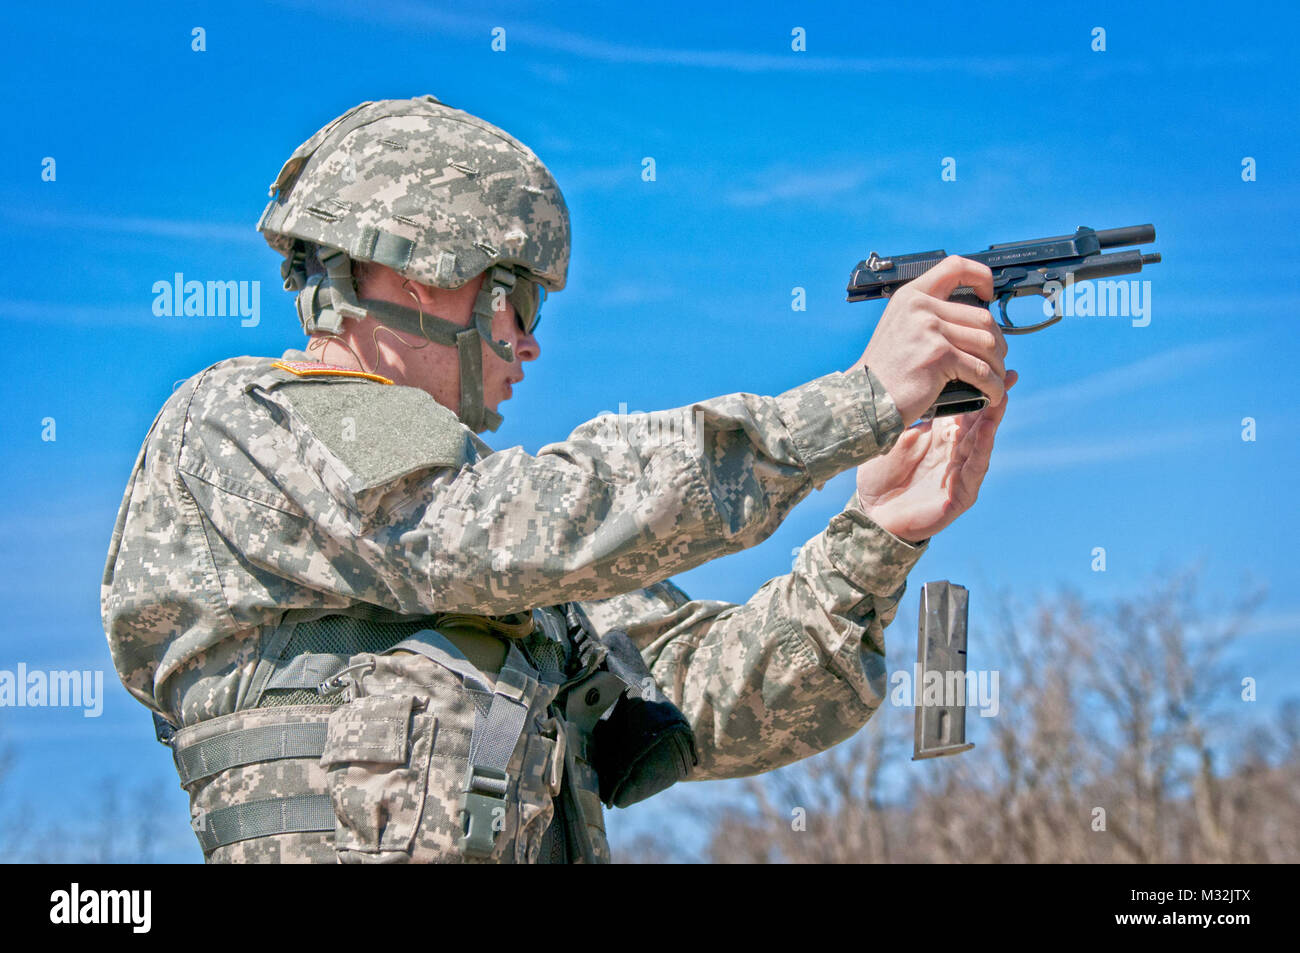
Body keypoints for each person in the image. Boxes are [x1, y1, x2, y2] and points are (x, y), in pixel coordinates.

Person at [101, 95, 1014, 863]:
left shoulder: (511, 565)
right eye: (519, 298)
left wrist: (880, 533)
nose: (531, 340)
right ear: (418, 272)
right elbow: (511, 525)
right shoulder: (244, 423)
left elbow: (706, 695)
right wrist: (850, 405)